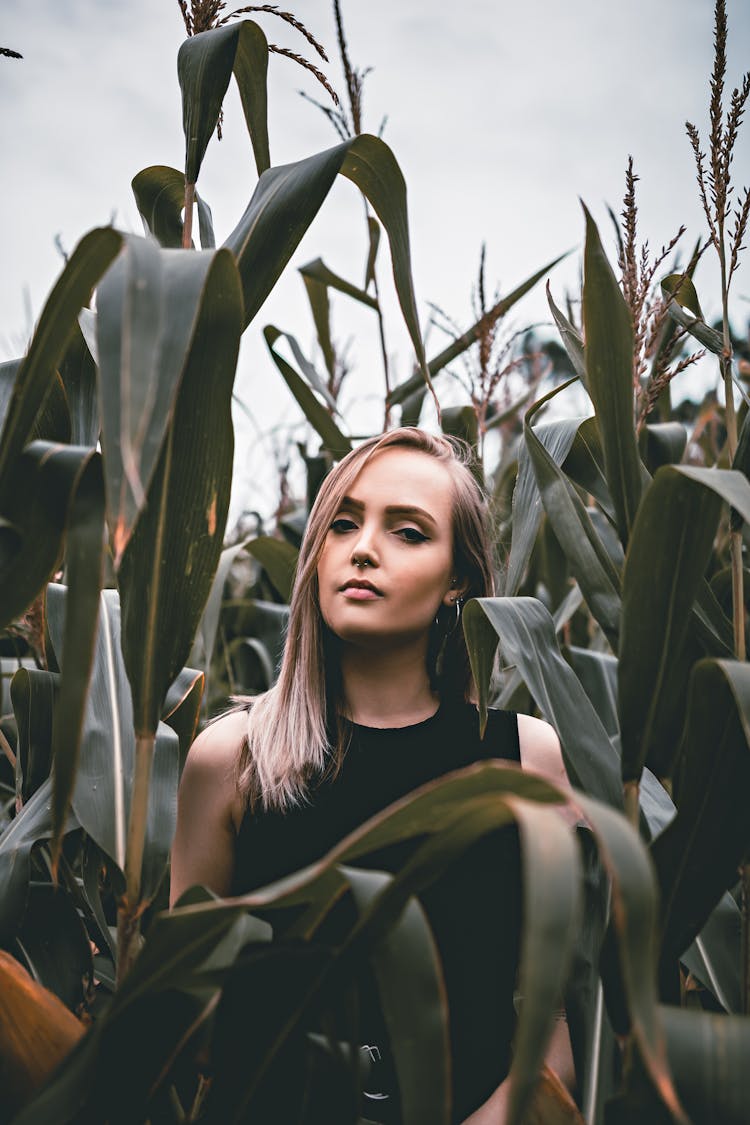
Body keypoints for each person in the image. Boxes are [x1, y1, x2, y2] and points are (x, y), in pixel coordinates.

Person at [171, 426, 575, 1124]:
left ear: (459, 582)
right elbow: (188, 1013)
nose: (362, 548)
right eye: (344, 523)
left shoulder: (525, 758)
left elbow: (561, 1034)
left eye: (409, 532)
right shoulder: (234, 759)